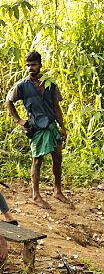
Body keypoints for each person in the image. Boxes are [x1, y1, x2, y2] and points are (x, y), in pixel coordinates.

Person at [5, 51, 70, 210]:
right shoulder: (22, 85)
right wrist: (19, 120)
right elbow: (9, 101)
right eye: (28, 65)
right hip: (36, 127)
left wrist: (62, 127)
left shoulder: (50, 83)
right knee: (37, 160)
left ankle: (58, 191)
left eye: (33, 65)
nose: (30, 68)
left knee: (57, 158)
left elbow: (56, 107)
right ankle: (36, 196)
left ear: (40, 65)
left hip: (51, 125)